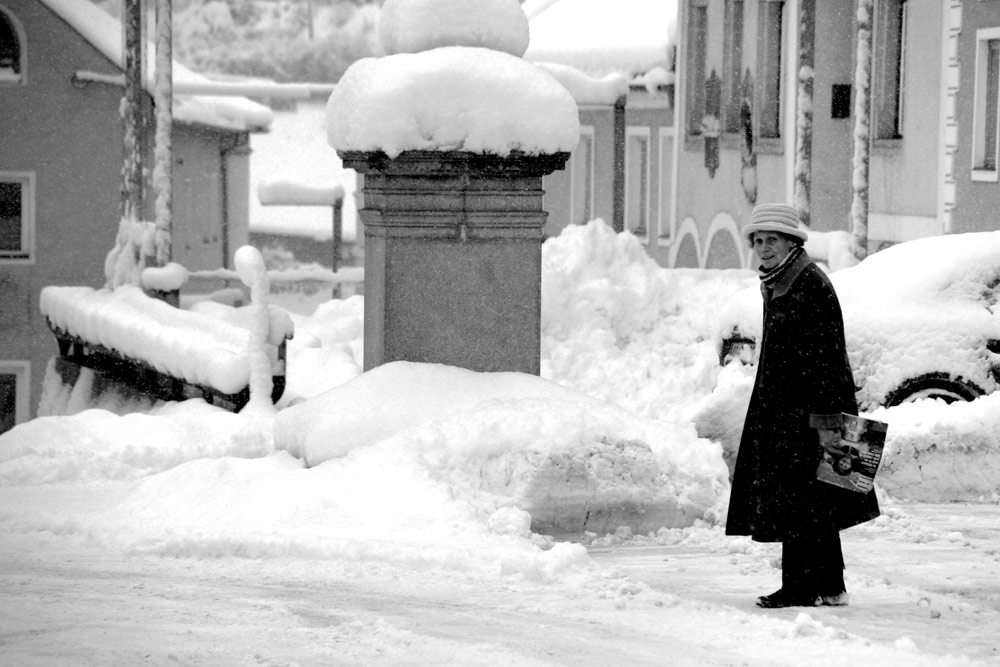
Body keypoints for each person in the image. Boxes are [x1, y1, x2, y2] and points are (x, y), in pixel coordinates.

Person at [725, 203, 880, 609]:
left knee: (802, 503)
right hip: (788, 414)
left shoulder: (808, 284)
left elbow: (827, 358)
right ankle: (828, 585)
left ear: (792, 241)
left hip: (807, 417)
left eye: (770, 240)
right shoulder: (781, 281)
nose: (762, 248)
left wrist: (827, 421)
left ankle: (801, 586)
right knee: (815, 502)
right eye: (757, 241)